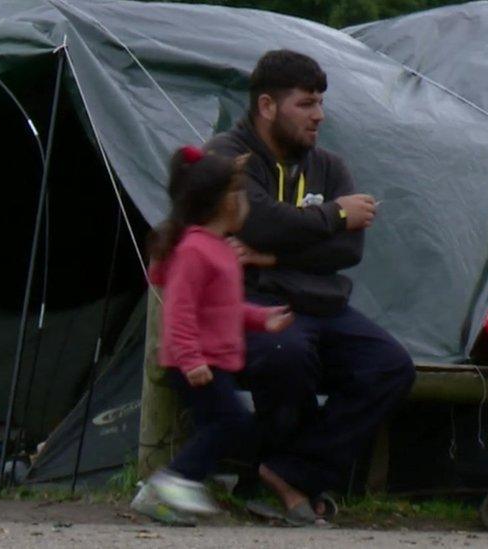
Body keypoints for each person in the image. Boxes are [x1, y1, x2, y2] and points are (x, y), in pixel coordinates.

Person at [205, 50, 415, 524]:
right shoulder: (225, 156)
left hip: (320, 303)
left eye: (320, 102)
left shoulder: (330, 167)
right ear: (267, 106)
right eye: (305, 103)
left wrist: (273, 254)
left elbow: (349, 252)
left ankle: (286, 473)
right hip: (247, 303)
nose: (319, 115)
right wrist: (336, 214)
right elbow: (258, 220)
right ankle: (281, 484)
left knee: (389, 366)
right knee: (286, 352)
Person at [142, 146, 294, 517]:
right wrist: (190, 357)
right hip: (196, 362)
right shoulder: (195, 249)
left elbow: (223, 306)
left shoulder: (218, 248)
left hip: (214, 359)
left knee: (221, 425)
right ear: (223, 202)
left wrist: (261, 318)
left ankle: (156, 496)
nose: (247, 202)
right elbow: (179, 309)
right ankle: (175, 479)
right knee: (233, 422)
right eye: (240, 192)